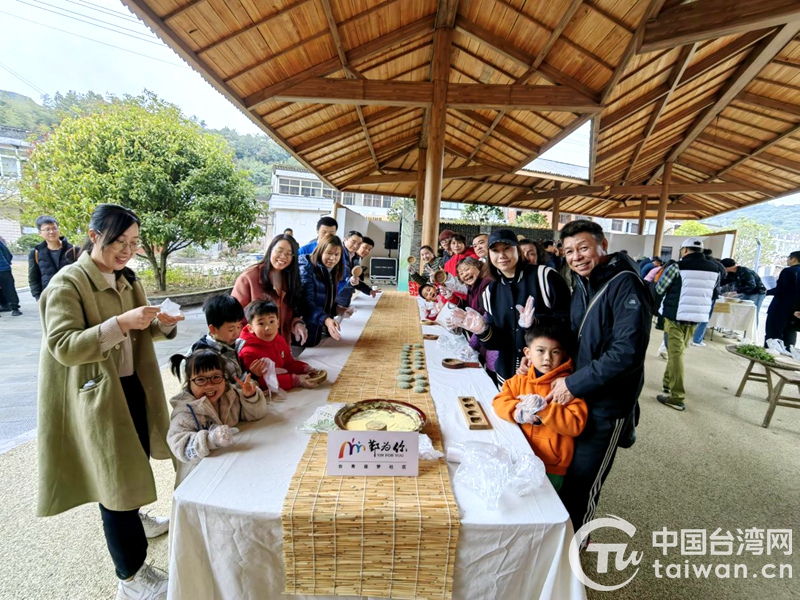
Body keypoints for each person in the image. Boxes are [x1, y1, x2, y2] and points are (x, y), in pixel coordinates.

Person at [37, 204, 184, 600]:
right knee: (113, 480)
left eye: (133, 243)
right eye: (119, 241)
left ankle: (136, 520)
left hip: (132, 385)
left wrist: (160, 324)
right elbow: (63, 346)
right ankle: (131, 576)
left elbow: (140, 330)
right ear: (93, 235)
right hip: (97, 397)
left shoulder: (126, 277)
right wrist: (119, 323)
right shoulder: (67, 285)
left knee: (131, 461)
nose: (126, 250)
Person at [546, 219, 652, 536]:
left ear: (602, 244)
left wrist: (573, 384)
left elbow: (627, 353)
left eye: (583, 247)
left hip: (607, 404)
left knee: (583, 484)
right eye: (569, 251)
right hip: (580, 396)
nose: (576, 256)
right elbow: (577, 335)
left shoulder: (625, 283)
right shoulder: (584, 282)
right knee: (567, 471)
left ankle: (578, 541)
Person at [454, 228, 571, 386]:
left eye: (507, 248)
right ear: (489, 256)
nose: (502, 256)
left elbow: (570, 322)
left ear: (518, 250)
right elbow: (497, 343)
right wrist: (483, 331)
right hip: (506, 376)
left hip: (543, 377)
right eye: (495, 251)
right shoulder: (490, 291)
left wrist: (536, 323)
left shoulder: (545, 277)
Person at [492, 323, 588, 491]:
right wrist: (517, 412)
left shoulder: (567, 387)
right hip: (518, 455)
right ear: (527, 353)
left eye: (555, 352)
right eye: (541, 351)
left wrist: (544, 410)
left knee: (545, 506)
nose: (547, 358)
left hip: (551, 465)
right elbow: (499, 401)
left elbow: (575, 425)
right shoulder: (520, 380)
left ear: (563, 353)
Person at [167, 349, 268, 485]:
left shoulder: (230, 396)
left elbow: (256, 414)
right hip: (199, 478)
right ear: (189, 382)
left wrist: (250, 397)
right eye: (201, 379)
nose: (210, 385)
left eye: (216, 377)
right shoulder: (185, 412)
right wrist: (210, 439)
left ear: (224, 378)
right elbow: (180, 447)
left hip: (230, 469)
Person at [655, 238, 720, 411]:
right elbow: (715, 293)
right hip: (697, 317)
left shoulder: (677, 266)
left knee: (676, 354)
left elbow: (660, 289)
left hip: (675, 315)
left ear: (684, 250)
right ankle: (667, 383)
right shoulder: (715, 268)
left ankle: (677, 397)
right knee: (678, 350)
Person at [232, 234, 309, 346]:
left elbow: (291, 312)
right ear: (270, 250)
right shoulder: (249, 277)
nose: (283, 256)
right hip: (255, 346)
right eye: (280, 251)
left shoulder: (290, 279)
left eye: (289, 253)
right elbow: (235, 317)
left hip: (281, 346)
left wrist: (297, 323)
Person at [238, 300, 320, 391]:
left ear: (278, 322)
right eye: (261, 323)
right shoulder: (248, 352)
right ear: (250, 328)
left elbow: (288, 364)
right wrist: (294, 380)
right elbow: (261, 381)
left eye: (271, 321)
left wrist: (304, 368)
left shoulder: (279, 340)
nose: (268, 327)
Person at [298, 234, 346, 346]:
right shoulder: (306, 268)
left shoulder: (331, 270)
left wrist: (337, 309)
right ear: (320, 250)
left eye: (336, 254)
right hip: (303, 332)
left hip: (318, 331)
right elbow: (305, 304)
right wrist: (326, 320)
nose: (332, 258)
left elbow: (323, 298)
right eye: (329, 253)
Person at [192, 294, 245, 380]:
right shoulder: (204, 357)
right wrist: (251, 377)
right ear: (213, 329)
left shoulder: (235, 344)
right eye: (231, 329)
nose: (237, 333)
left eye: (239, 326)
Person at [28, 215, 81, 301]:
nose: (51, 232)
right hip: (49, 298)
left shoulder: (74, 250)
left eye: (54, 228)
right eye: (47, 229)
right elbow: (33, 278)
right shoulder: (36, 253)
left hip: (73, 296)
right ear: (40, 232)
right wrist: (38, 297)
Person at [691, 249, 728, 346]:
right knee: (704, 317)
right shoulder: (717, 266)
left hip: (694, 293)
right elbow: (722, 278)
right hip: (710, 295)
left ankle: (687, 336)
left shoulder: (693, 264)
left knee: (690, 315)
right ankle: (697, 340)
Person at [765, 251, 800, 348]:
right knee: (790, 332)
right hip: (795, 310)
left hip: (781, 307)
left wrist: (767, 292)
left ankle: (770, 355)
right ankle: (788, 354)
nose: (787, 260)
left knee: (773, 333)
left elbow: (782, 289)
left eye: (788, 257)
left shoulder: (788, 271)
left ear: (794, 259)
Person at [720, 258, 767, 327]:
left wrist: (737, 292)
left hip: (757, 293)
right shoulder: (731, 273)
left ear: (728, 267)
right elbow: (725, 282)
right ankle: (733, 329)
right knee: (736, 309)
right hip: (746, 292)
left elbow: (751, 285)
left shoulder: (745, 271)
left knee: (753, 313)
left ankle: (752, 334)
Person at [335, 230, 364, 307]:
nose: (356, 246)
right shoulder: (337, 253)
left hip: (348, 290)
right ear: (345, 239)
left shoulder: (355, 255)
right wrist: (349, 280)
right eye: (353, 242)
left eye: (359, 244)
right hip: (337, 291)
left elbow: (354, 273)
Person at [0, 237, 21, 316]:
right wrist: (8, 263)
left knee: (8, 288)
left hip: (3, 268)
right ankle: (15, 309)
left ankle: (7, 306)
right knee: (9, 288)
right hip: (4, 268)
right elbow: (7, 253)